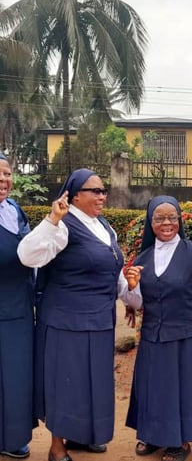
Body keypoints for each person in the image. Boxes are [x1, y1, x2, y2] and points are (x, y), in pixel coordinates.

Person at [17, 168, 141, 461]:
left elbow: (111, 271)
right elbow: (27, 255)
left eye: (103, 190)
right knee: (65, 382)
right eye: (94, 191)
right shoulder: (63, 226)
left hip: (98, 320)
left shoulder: (105, 226)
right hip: (66, 321)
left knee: (90, 384)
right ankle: (57, 447)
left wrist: (130, 293)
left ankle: (79, 435)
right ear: (73, 195)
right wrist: (51, 220)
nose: (102, 195)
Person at [124, 195, 192, 461]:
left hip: (186, 338)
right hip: (153, 337)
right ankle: (154, 436)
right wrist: (131, 288)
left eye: (172, 217)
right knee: (153, 388)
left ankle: (178, 441)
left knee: (180, 392)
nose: (166, 223)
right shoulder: (142, 257)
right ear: (151, 222)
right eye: (159, 218)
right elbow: (136, 303)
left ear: (179, 220)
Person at [0, 153, 34, 459]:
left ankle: (12, 437)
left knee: (16, 375)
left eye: (7, 174)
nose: (3, 181)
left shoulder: (14, 209)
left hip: (19, 308)